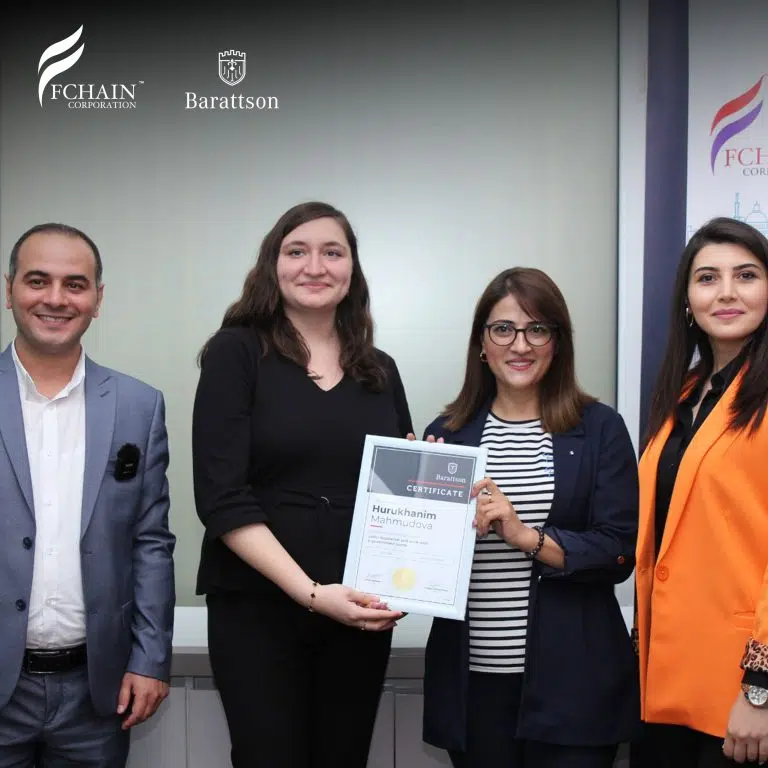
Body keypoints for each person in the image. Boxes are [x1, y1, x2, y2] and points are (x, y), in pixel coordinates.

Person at [192, 201, 412, 768]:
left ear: (351, 270)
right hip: (257, 610)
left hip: (357, 609)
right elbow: (221, 498)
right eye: (297, 251)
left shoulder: (380, 370)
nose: (315, 266)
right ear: (273, 264)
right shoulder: (236, 352)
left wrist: (431, 484)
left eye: (331, 252)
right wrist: (312, 594)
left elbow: (397, 494)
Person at [421, 267, 639, 768]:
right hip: (475, 687)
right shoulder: (448, 434)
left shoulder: (600, 428)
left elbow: (617, 552)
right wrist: (411, 507)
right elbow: (429, 564)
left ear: (557, 342)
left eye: (537, 329)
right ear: (482, 343)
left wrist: (525, 536)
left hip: (575, 685)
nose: (520, 345)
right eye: (503, 329)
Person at [0, 223, 176, 766]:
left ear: (97, 300)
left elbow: (151, 542)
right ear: (9, 290)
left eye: (74, 284)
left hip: (97, 693)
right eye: (37, 281)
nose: (55, 298)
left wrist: (150, 658)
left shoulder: (139, 406)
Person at [635, 217, 768, 767]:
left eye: (747, 275)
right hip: (665, 678)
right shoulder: (684, 392)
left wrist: (760, 688)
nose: (727, 292)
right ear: (688, 300)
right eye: (708, 278)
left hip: (739, 687)